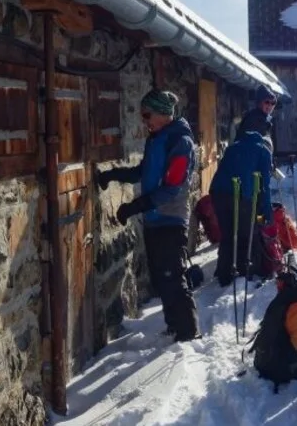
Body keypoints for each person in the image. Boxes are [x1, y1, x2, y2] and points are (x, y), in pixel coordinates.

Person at [96, 90, 199, 342]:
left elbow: (173, 187)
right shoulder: (156, 138)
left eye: (147, 114)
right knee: (160, 278)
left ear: (163, 114)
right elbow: (144, 171)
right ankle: (174, 326)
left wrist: (135, 206)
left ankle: (188, 332)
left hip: (171, 219)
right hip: (154, 218)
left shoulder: (180, 142)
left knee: (172, 277)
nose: (144, 120)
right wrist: (113, 175)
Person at [209, 129, 274, 287]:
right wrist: (266, 212)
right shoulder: (263, 151)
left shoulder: (234, 147)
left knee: (228, 233)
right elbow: (264, 186)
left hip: (217, 192)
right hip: (239, 192)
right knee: (247, 233)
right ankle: (245, 274)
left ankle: (224, 273)